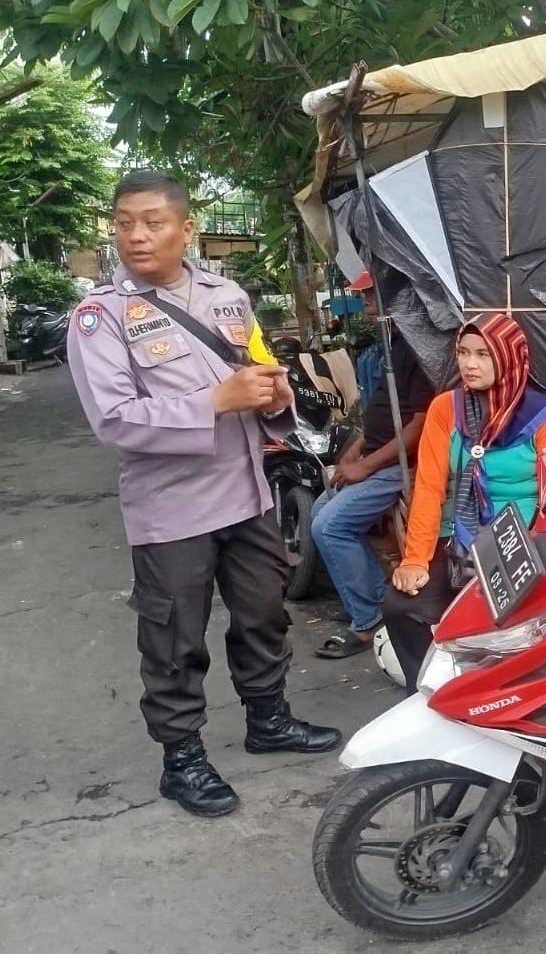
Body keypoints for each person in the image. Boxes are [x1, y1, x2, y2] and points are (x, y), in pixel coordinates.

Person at [66, 171, 341, 819]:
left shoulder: (227, 297)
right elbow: (114, 418)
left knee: (263, 612)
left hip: (245, 492)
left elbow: (254, 366)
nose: (137, 234)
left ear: (185, 228)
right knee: (173, 635)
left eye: (154, 220)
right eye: (125, 221)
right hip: (169, 508)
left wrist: (272, 395)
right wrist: (214, 400)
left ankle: (267, 718)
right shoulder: (99, 317)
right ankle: (181, 757)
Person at [382, 315, 546, 691]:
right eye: (464, 353)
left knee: (524, 619)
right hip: (459, 534)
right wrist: (415, 558)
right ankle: (429, 696)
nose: (469, 364)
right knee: (401, 608)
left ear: (509, 357)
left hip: (522, 537)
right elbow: (430, 487)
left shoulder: (544, 417)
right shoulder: (444, 409)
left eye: (484, 354)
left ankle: (515, 695)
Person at [310, 279, 435, 658]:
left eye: (371, 294)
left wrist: (365, 466)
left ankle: (368, 622)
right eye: (362, 294)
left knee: (329, 525)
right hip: (377, 456)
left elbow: (417, 426)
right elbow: (381, 413)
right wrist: (355, 453)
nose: (364, 300)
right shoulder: (391, 342)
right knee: (320, 510)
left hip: (401, 465)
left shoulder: (417, 347)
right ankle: (375, 599)